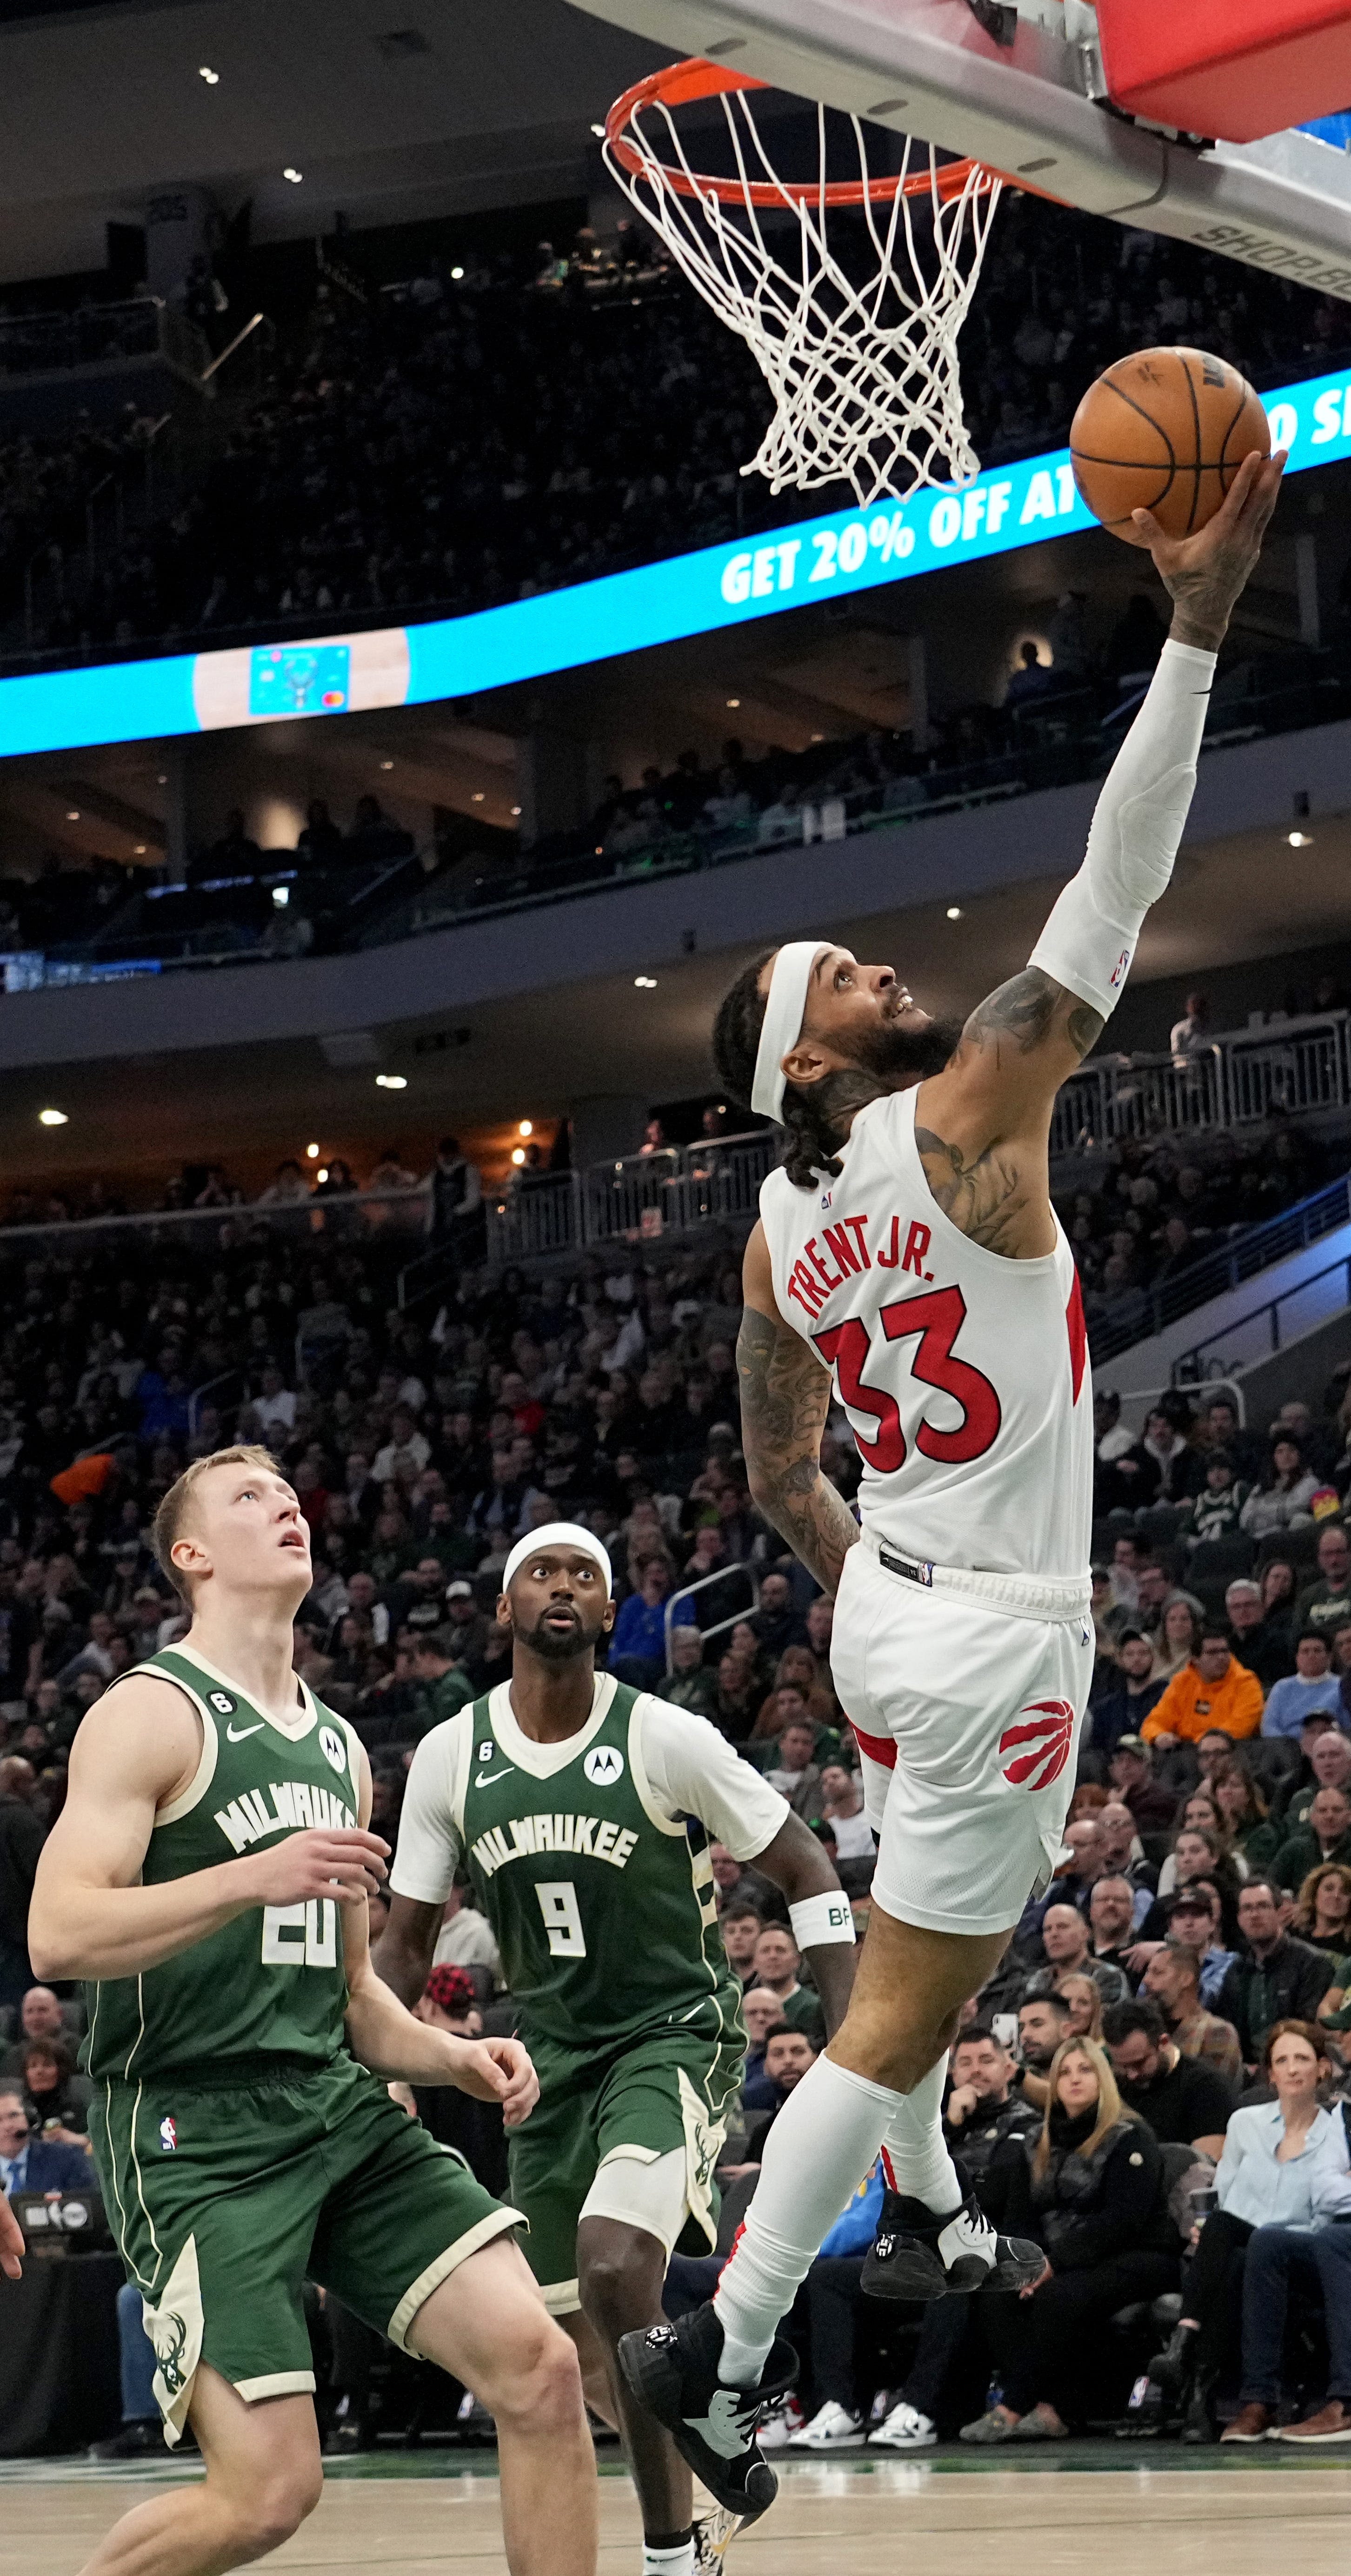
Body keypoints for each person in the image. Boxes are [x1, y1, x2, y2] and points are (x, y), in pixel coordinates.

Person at [611, 451, 1283, 2525]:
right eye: (838, 982)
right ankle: (714, 2354)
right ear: (801, 1071)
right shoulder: (975, 1118)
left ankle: (881, 2237)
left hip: (900, 1608)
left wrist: (867, 1580)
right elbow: (1113, 881)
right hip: (983, 1628)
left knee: (922, 1986)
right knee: (892, 2023)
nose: (877, 971)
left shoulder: (775, 1237)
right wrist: (1193, 618)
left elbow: (766, 1460)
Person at [26, 1446, 597, 2576]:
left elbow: (350, 1999)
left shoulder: (339, 1746)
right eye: (248, 1497)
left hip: (333, 2108)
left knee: (542, 2367)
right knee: (271, 2490)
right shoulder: (151, 1712)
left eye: (290, 1493)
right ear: (191, 1555)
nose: (284, 1504)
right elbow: (59, 1931)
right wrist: (249, 1873)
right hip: (193, 2131)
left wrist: (451, 2054)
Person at [374, 1523, 856, 2576]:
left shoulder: (664, 1738)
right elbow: (405, 1941)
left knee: (613, 2262)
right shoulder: (452, 1754)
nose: (562, 1586)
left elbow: (809, 1866)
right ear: (503, 1609)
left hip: (674, 2033)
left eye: (583, 1574)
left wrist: (852, 2043)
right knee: (575, 2354)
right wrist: (373, 2063)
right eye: (539, 1572)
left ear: (610, 1613)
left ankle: (668, 2556)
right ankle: (707, 2447)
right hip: (547, 2061)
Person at [957, 2035, 1178, 2443]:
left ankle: (1010, 2408)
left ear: (1104, 2079)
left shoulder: (1130, 2135)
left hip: (1138, 2254)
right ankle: (1047, 2409)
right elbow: (1021, 2219)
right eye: (1065, 2073)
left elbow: (1122, 2220)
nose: (1074, 2080)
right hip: (1062, 2259)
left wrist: (1052, 2263)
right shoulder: (1034, 2143)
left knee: (1060, 2294)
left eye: (1086, 2070)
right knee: (996, 2291)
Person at [1149, 2020, 1347, 2440]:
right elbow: (1223, 2195)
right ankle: (1211, 2386)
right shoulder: (1245, 2123)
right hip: (1240, 2247)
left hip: (1303, 2248)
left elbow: (1327, 2208)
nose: (1292, 2069)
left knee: (1249, 2245)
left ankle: (1199, 2376)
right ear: (1269, 2073)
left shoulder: (1335, 2130)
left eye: (1302, 2060)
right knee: (1226, 2238)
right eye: (1282, 2061)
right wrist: (1205, 2231)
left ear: (1322, 2069)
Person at [1218, 1877, 1333, 2071]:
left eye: (1263, 1906)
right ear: (1239, 1919)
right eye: (1247, 1909)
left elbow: (1308, 2030)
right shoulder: (1236, 1971)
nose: (1254, 1915)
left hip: (1296, 2065)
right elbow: (1227, 2028)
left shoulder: (1312, 1964)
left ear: (1280, 1913)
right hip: (1247, 2070)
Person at [1101, 1998, 1233, 2156]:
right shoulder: (1115, 2083)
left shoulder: (1206, 2087)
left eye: (1139, 2064)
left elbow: (1207, 2166)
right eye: (1122, 2066)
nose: (1131, 2075)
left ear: (1164, 2042)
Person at [1141, 1625, 1264, 1747]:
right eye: (1212, 1653)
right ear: (1195, 1660)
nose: (1221, 1657)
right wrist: (1159, 1736)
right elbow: (1154, 1722)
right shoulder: (1182, 1682)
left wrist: (1200, 1742)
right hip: (1183, 1754)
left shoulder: (1246, 1682)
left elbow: (1241, 1728)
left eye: (1224, 1651)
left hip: (1229, 1753)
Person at [1141, 1939, 1242, 2082]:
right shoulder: (1146, 2031)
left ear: (1186, 1979)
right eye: (1148, 1972)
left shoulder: (1216, 2032)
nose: (1147, 1980)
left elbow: (1215, 2095)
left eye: (1158, 1973)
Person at [0, 1753, 43, 2016]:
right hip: (21, 1934)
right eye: (30, 1783)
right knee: (25, 2008)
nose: (35, 1790)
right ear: (17, 1785)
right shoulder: (22, 1820)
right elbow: (42, 1872)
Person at [0, 2079, 97, 2193]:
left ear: (30, 2118)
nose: (7, 2126)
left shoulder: (67, 2159)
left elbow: (88, 2204)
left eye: (14, 2115)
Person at [1262, 1632, 1344, 1739]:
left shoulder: (1342, 1686)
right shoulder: (1282, 1688)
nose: (1311, 1656)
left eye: (1317, 1651)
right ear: (1297, 1658)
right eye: (1305, 1651)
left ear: (1329, 1657)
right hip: (1287, 1749)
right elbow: (1269, 1727)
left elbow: (1347, 1727)